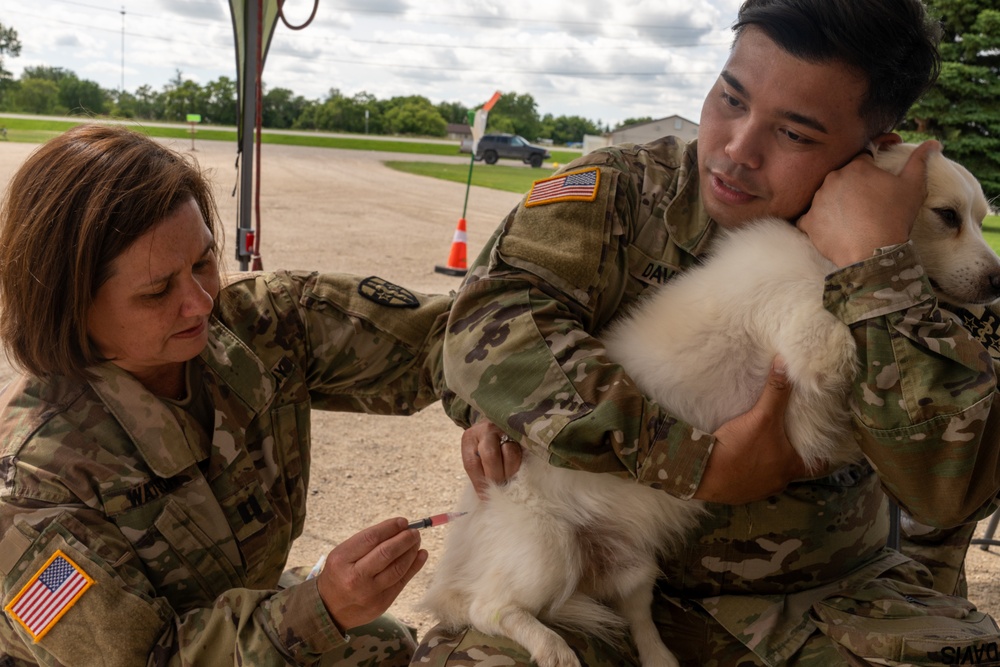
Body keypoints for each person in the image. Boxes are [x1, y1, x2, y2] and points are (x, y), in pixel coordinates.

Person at [421, 1, 1000, 665]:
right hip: (598, 580)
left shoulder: (935, 265)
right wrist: (692, 458)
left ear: (877, 148)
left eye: (796, 134)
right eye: (731, 97)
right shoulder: (623, 192)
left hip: (822, 597)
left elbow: (955, 487)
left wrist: (874, 273)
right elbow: (477, 333)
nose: (736, 149)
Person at [0, 123, 496, 666]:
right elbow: (146, 659)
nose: (201, 303)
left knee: (384, 644)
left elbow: (455, 339)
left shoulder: (255, 321)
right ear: (70, 304)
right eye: (157, 291)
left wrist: (489, 405)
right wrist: (319, 610)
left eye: (203, 263)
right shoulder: (32, 490)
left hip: (234, 624)